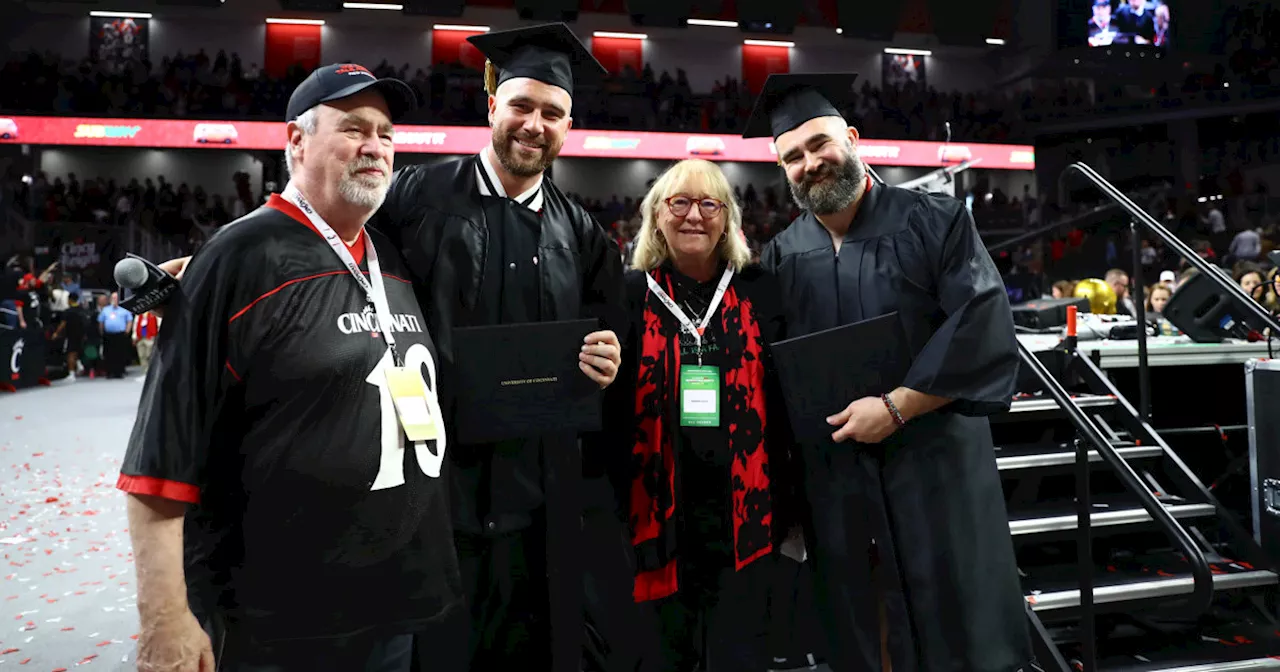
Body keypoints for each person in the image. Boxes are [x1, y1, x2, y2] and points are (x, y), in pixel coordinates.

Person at [117, 63, 460, 672]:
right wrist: (165, 615)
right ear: (296, 142)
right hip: (281, 624)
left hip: (395, 608)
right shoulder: (238, 258)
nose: (375, 146)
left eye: (385, 133)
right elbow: (162, 456)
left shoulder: (395, 259)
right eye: (353, 128)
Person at [369, 23, 640, 672]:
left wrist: (610, 357)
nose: (534, 123)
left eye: (552, 112)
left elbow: (613, 331)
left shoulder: (582, 233)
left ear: (568, 125)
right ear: (491, 105)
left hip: (539, 493)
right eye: (521, 105)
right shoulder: (413, 197)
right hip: (433, 486)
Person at [746, 73, 1034, 672]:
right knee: (859, 622)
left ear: (851, 138)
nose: (809, 163)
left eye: (820, 144)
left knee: (959, 618)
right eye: (792, 156)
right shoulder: (778, 256)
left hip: (933, 464)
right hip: (840, 475)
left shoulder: (936, 220)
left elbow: (980, 319)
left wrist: (899, 405)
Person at [610, 159, 791, 671]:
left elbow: (783, 401)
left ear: (728, 218)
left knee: (740, 651)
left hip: (745, 513)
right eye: (680, 203)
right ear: (657, 216)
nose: (695, 215)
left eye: (710, 204)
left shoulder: (760, 289)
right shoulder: (628, 294)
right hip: (655, 517)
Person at [97, 291, 133, 378]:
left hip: (120, 334)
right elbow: (101, 322)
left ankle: (119, 371)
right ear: (110, 300)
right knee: (109, 354)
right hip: (109, 335)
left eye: (116, 298)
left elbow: (129, 320)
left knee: (120, 354)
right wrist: (102, 332)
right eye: (113, 298)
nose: (114, 300)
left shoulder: (124, 309)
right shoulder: (106, 310)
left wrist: (127, 330)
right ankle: (110, 371)